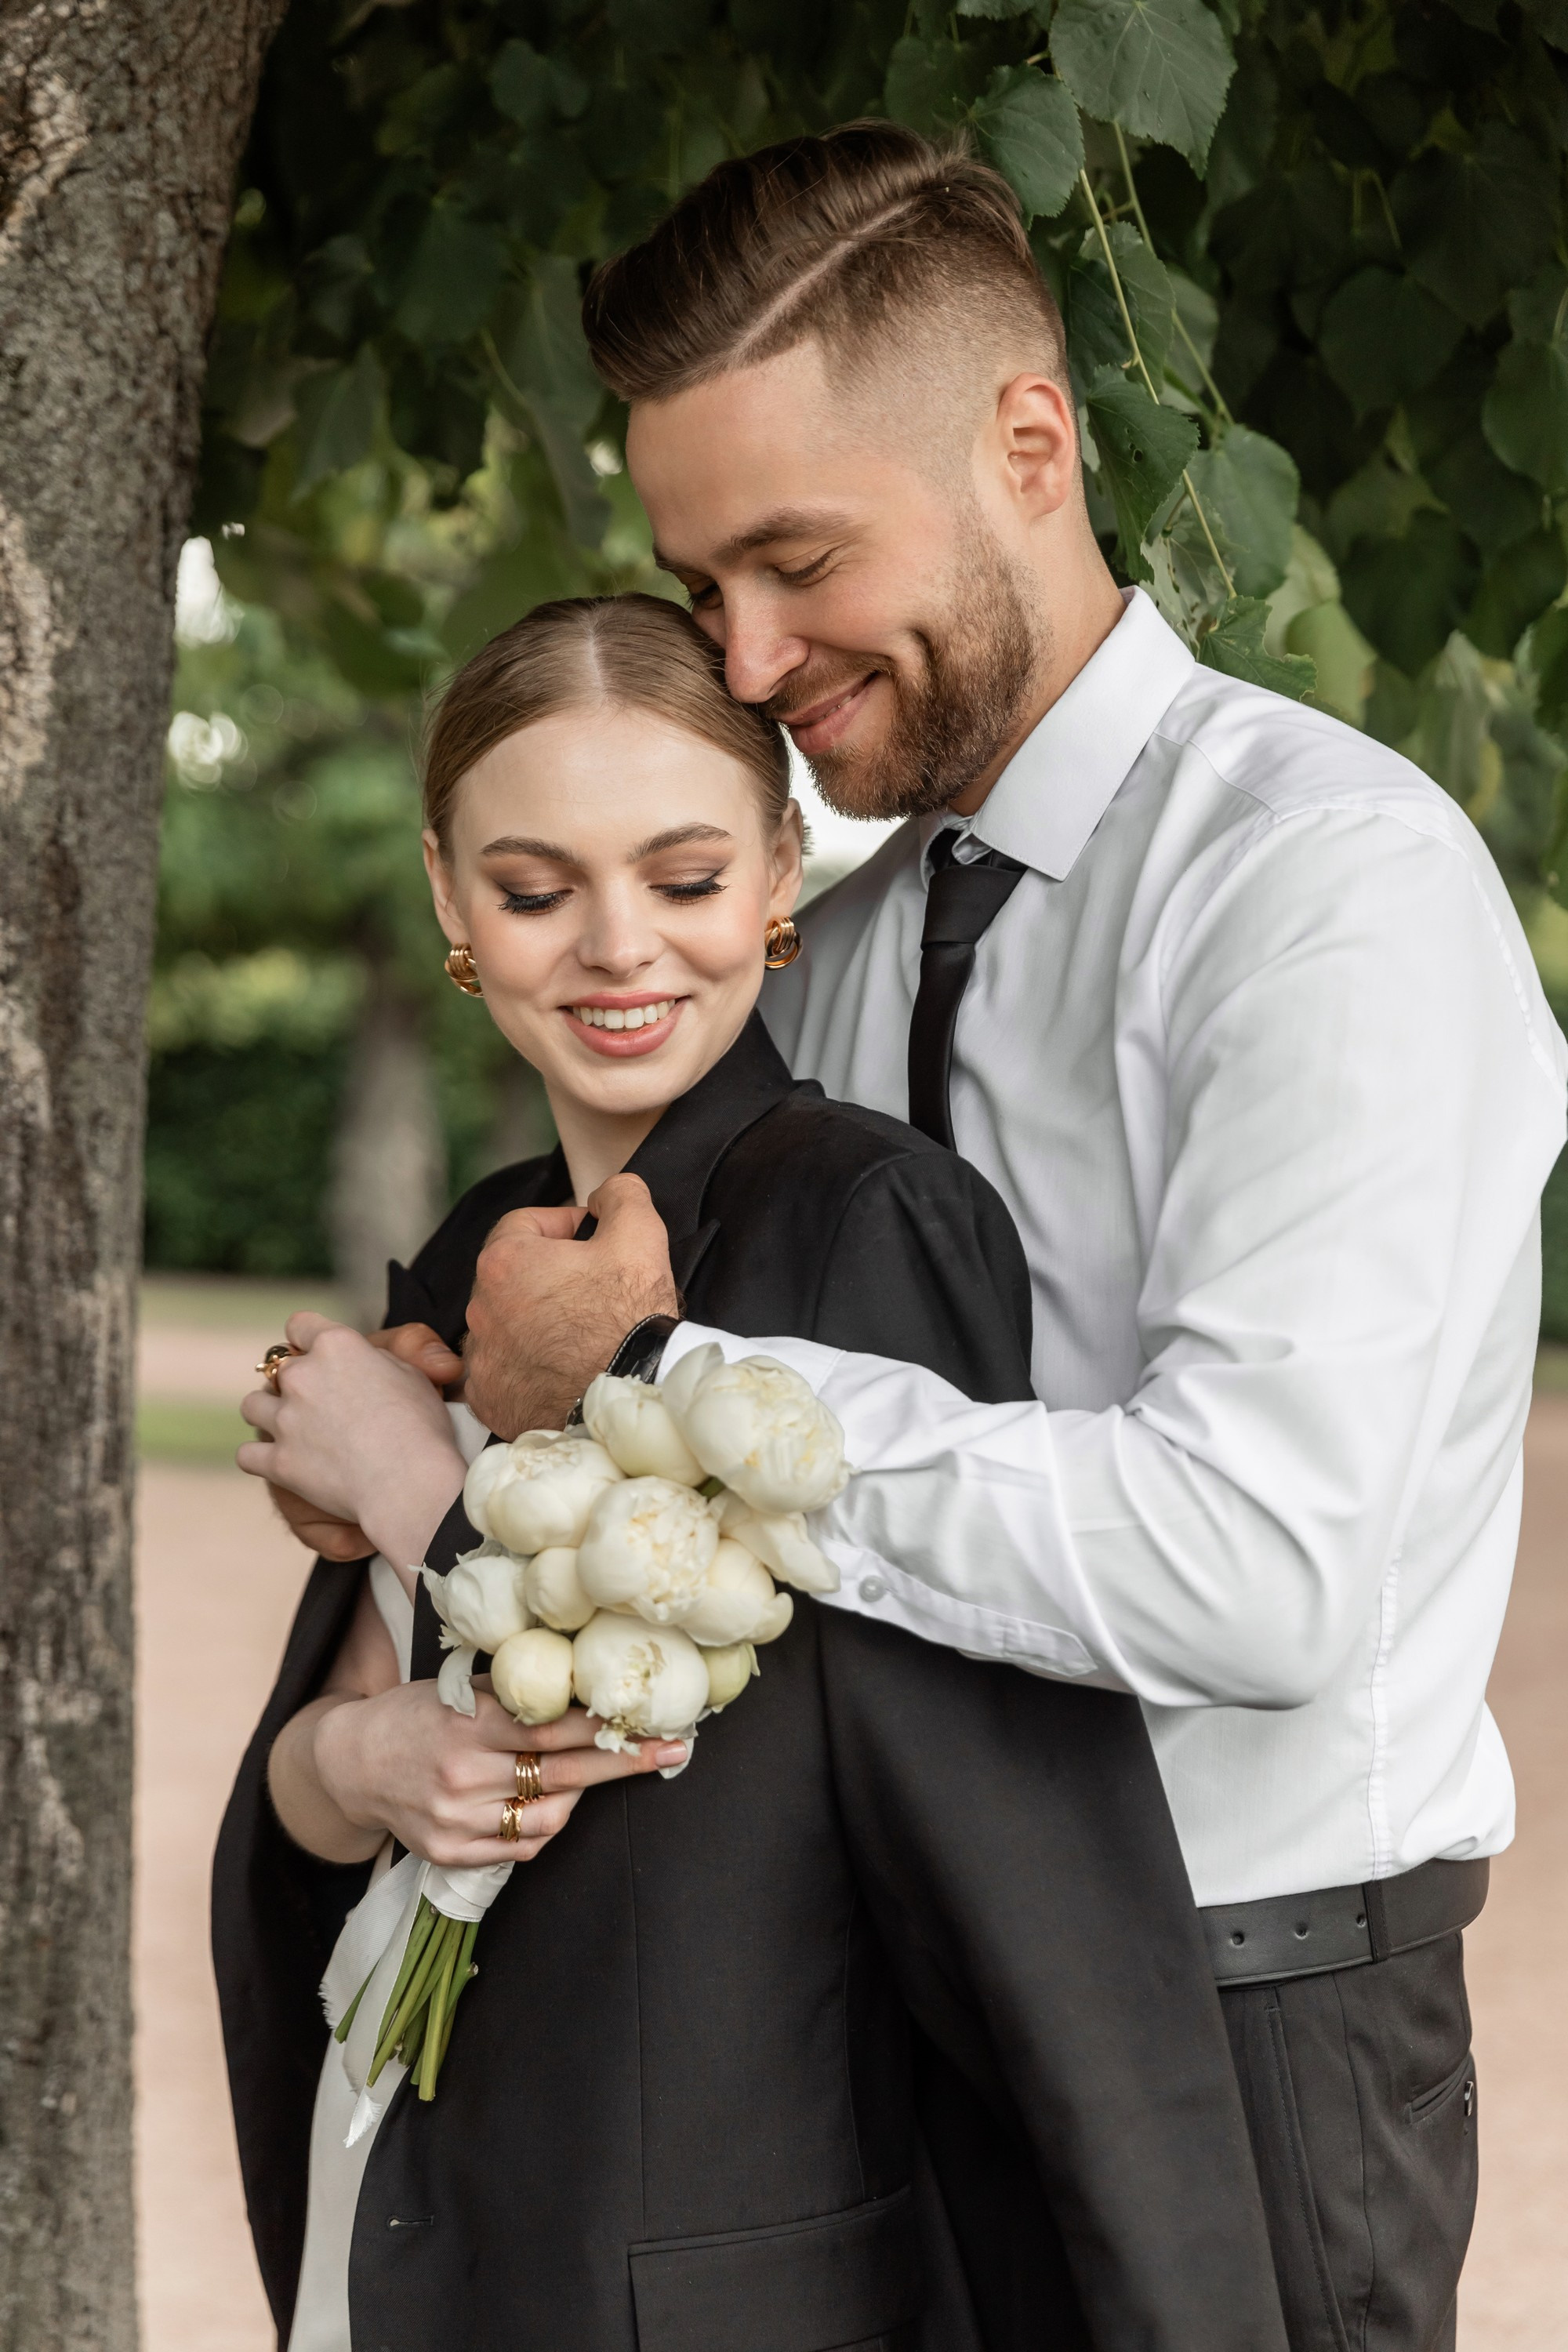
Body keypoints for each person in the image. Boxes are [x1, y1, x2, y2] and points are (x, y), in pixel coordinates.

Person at [432, 127, 1568, 2352]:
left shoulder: (1324, 890)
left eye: (793, 559)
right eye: (701, 587)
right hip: (882, 2020)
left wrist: (661, 1398)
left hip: (1248, 2028)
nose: (744, 660)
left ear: (1030, 442)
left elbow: (1253, 1567)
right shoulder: (836, 952)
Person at [217, 593, 1288, 2352]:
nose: (615, 950)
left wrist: (426, 1490)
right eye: (536, 889)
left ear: (786, 869)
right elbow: (306, 1790)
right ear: (445, 898)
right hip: (416, 2190)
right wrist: (373, 1755)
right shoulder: (480, 1246)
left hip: (708, 2263)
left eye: (688, 878)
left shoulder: (870, 1219)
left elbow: (845, 1797)